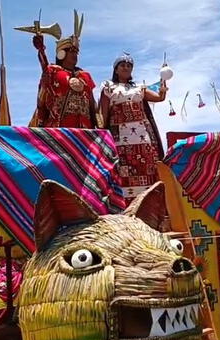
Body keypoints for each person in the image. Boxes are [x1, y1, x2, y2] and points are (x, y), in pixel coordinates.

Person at [98, 53, 167, 202]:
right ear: (116, 69)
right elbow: (103, 113)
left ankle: (149, 205)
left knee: (148, 167)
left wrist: (162, 89)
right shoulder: (108, 86)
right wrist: (100, 132)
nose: (126, 68)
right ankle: (124, 207)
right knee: (123, 170)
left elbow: (159, 98)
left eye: (129, 66)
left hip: (144, 137)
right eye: (122, 65)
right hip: (120, 138)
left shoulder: (139, 88)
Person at [30, 10, 98, 128]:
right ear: (61, 54)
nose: (75, 55)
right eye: (71, 51)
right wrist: (41, 49)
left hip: (85, 130)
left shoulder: (85, 75)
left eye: (77, 52)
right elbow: (44, 67)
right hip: (59, 129)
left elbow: (92, 104)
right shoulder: (53, 71)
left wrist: (99, 125)